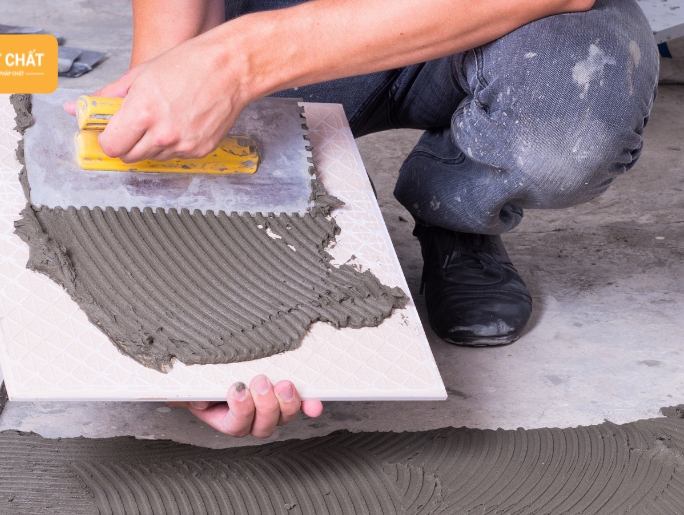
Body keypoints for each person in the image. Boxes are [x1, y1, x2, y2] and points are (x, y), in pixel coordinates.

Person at [65, 0, 658, 439]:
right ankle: (299, 231)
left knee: (573, 111)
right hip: (288, 18)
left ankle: (458, 215)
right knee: (246, 161)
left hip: (498, 24)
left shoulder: (247, 52)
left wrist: (238, 61)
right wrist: (168, 101)